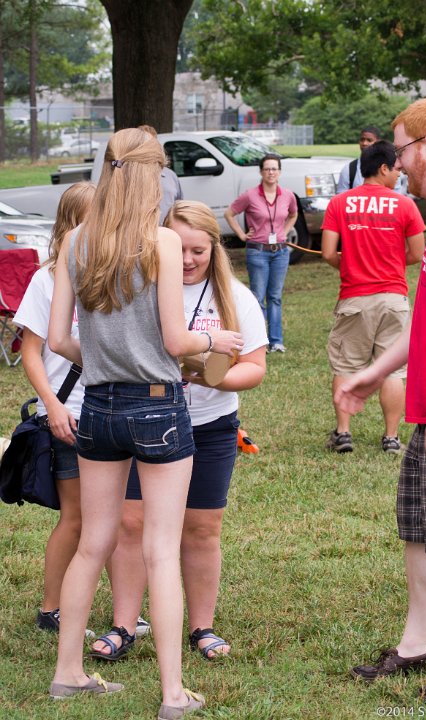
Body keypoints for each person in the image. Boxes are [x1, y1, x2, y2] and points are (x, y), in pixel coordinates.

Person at [47, 128, 243, 717]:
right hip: (158, 406)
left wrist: (103, 360)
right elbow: (178, 340)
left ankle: (67, 674)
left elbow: (58, 339)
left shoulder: (76, 239)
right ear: (153, 174)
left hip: (98, 407)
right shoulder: (160, 241)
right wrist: (215, 339)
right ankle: (173, 694)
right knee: (160, 550)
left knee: (93, 544)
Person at [336, 97, 426, 706]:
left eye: (400, 150)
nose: (396, 164)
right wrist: (374, 374)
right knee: (422, 527)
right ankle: (417, 643)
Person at [89, 199, 268, 662]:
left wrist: (213, 378)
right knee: (131, 523)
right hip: (143, 420)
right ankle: (125, 624)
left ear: (215, 249)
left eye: (198, 251)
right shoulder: (140, 290)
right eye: (178, 249)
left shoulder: (235, 297)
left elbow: (255, 366)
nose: (187, 260)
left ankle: (202, 627)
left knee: (202, 527)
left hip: (210, 426)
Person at [13, 182, 96, 637]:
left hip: (114, 409)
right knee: (78, 516)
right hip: (70, 412)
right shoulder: (47, 279)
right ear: (69, 225)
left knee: (122, 517)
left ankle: (124, 613)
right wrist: (53, 406)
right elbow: (31, 352)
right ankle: (52, 609)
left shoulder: (116, 272)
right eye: (91, 217)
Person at [321, 140, 425, 454]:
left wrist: (350, 265)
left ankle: (343, 433)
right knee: (392, 370)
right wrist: (390, 263)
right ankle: (391, 438)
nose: (399, 174)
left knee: (346, 366)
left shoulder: (339, 203)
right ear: (382, 168)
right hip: (394, 298)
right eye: (396, 169)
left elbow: (328, 253)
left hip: (355, 298)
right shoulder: (405, 205)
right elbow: (416, 253)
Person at [224, 154, 297, 353]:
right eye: (267, 169)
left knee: (275, 297)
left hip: (280, 252)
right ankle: (259, 341)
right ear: (261, 172)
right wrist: (241, 235)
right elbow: (229, 213)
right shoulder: (250, 195)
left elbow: (293, 214)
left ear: (279, 172)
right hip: (257, 251)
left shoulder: (288, 195)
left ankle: (276, 341)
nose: (271, 172)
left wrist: (285, 231)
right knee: (257, 297)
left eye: (274, 169)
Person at [336, 126, 404, 195]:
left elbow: (397, 196)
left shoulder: (391, 169)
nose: (364, 143)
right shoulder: (349, 169)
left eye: (369, 140)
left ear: (378, 142)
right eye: (362, 140)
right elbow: (341, 196)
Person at [137, 124, 183, 223]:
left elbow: (179, 207)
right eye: (144, 144)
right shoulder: (127, 176)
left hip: (168, 230)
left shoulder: (170, 175)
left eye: (152, 143)